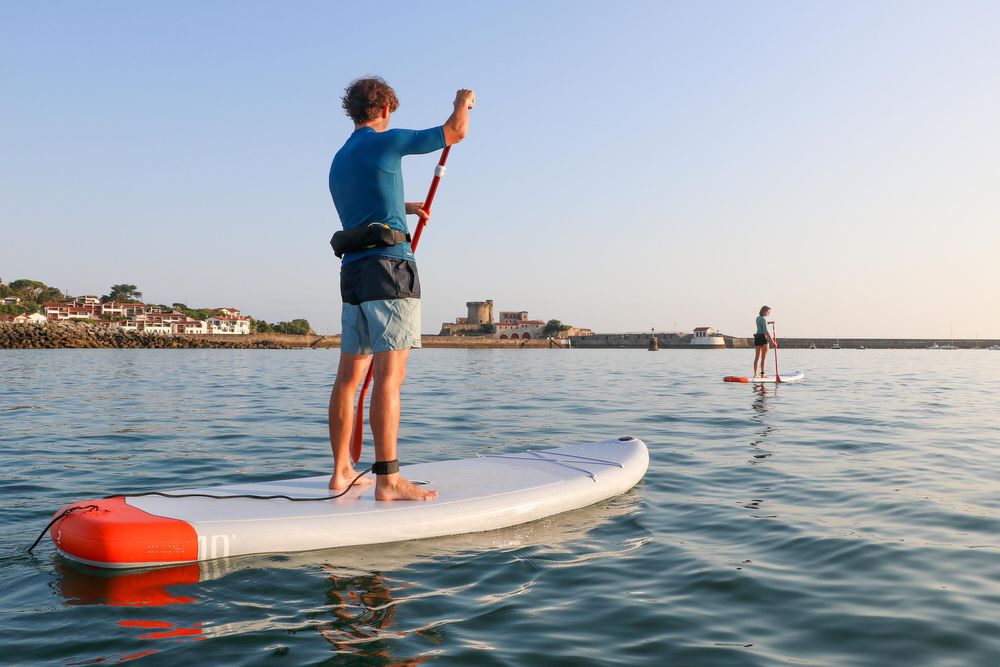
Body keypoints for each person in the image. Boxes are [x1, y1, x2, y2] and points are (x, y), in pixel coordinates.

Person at [327, 77, 475, 501]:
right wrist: (462, 101)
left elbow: (365, 205)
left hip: (353, 273)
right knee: (389, 379)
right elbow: (455, 131)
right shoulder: (386, 141)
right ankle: (387, 480)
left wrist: (403, 208)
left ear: (352, 111)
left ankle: (341, 473)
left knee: (349, 379)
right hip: (390, 271)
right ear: (386, 108)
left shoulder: (339, 159)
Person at [753, 306, 774, 377]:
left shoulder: (758, 318)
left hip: (757, 337)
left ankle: (755, 374)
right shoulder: (763, 319)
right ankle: (762, 374)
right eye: (768, 312)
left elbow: (761, 325)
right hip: (763, 338)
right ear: (764, 311)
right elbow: (766, 331)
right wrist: (772, 341)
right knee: (763, 358)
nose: (768, 314)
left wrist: (769, 323)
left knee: (757, 357)